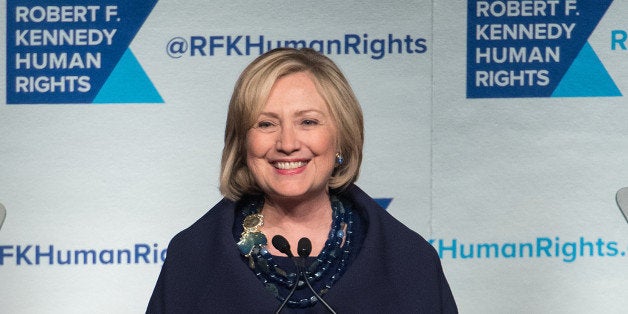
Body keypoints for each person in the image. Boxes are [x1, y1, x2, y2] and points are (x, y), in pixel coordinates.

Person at [147, 47, 457, 313]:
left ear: (341, 137)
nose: (287, 143)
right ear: (242, 142)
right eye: (266, 123)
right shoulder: (191, 259)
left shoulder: (411, 263)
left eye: (307, 121)